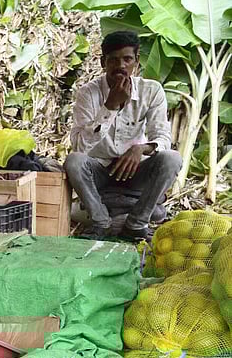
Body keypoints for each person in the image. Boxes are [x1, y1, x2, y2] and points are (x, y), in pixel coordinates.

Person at [66, 31, 181, 241]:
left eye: (127, 59)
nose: (121, 66)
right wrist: (110, 106)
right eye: (113, 60)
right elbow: (79, 147)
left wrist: (141, 149)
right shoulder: (88, 93)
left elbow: (163, 137)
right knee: (74, 161)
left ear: (136, 61)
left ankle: (136, 224)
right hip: (99, 173)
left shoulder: (151, 91)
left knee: (172, 158)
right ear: (103, 63)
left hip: (134, 173)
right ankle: (101, 222)